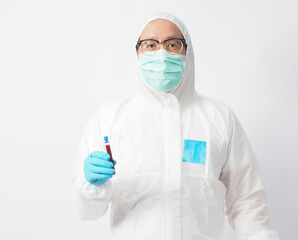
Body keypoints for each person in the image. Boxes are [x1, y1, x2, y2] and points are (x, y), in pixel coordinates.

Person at [71, 12, 280, 240]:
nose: (161, 54)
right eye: (150, 45)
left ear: (187, 53)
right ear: (137, 53)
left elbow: (247, 200)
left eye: (172, 44)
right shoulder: (110, 119)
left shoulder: (219, 118)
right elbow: (87, 212)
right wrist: (92, 185)